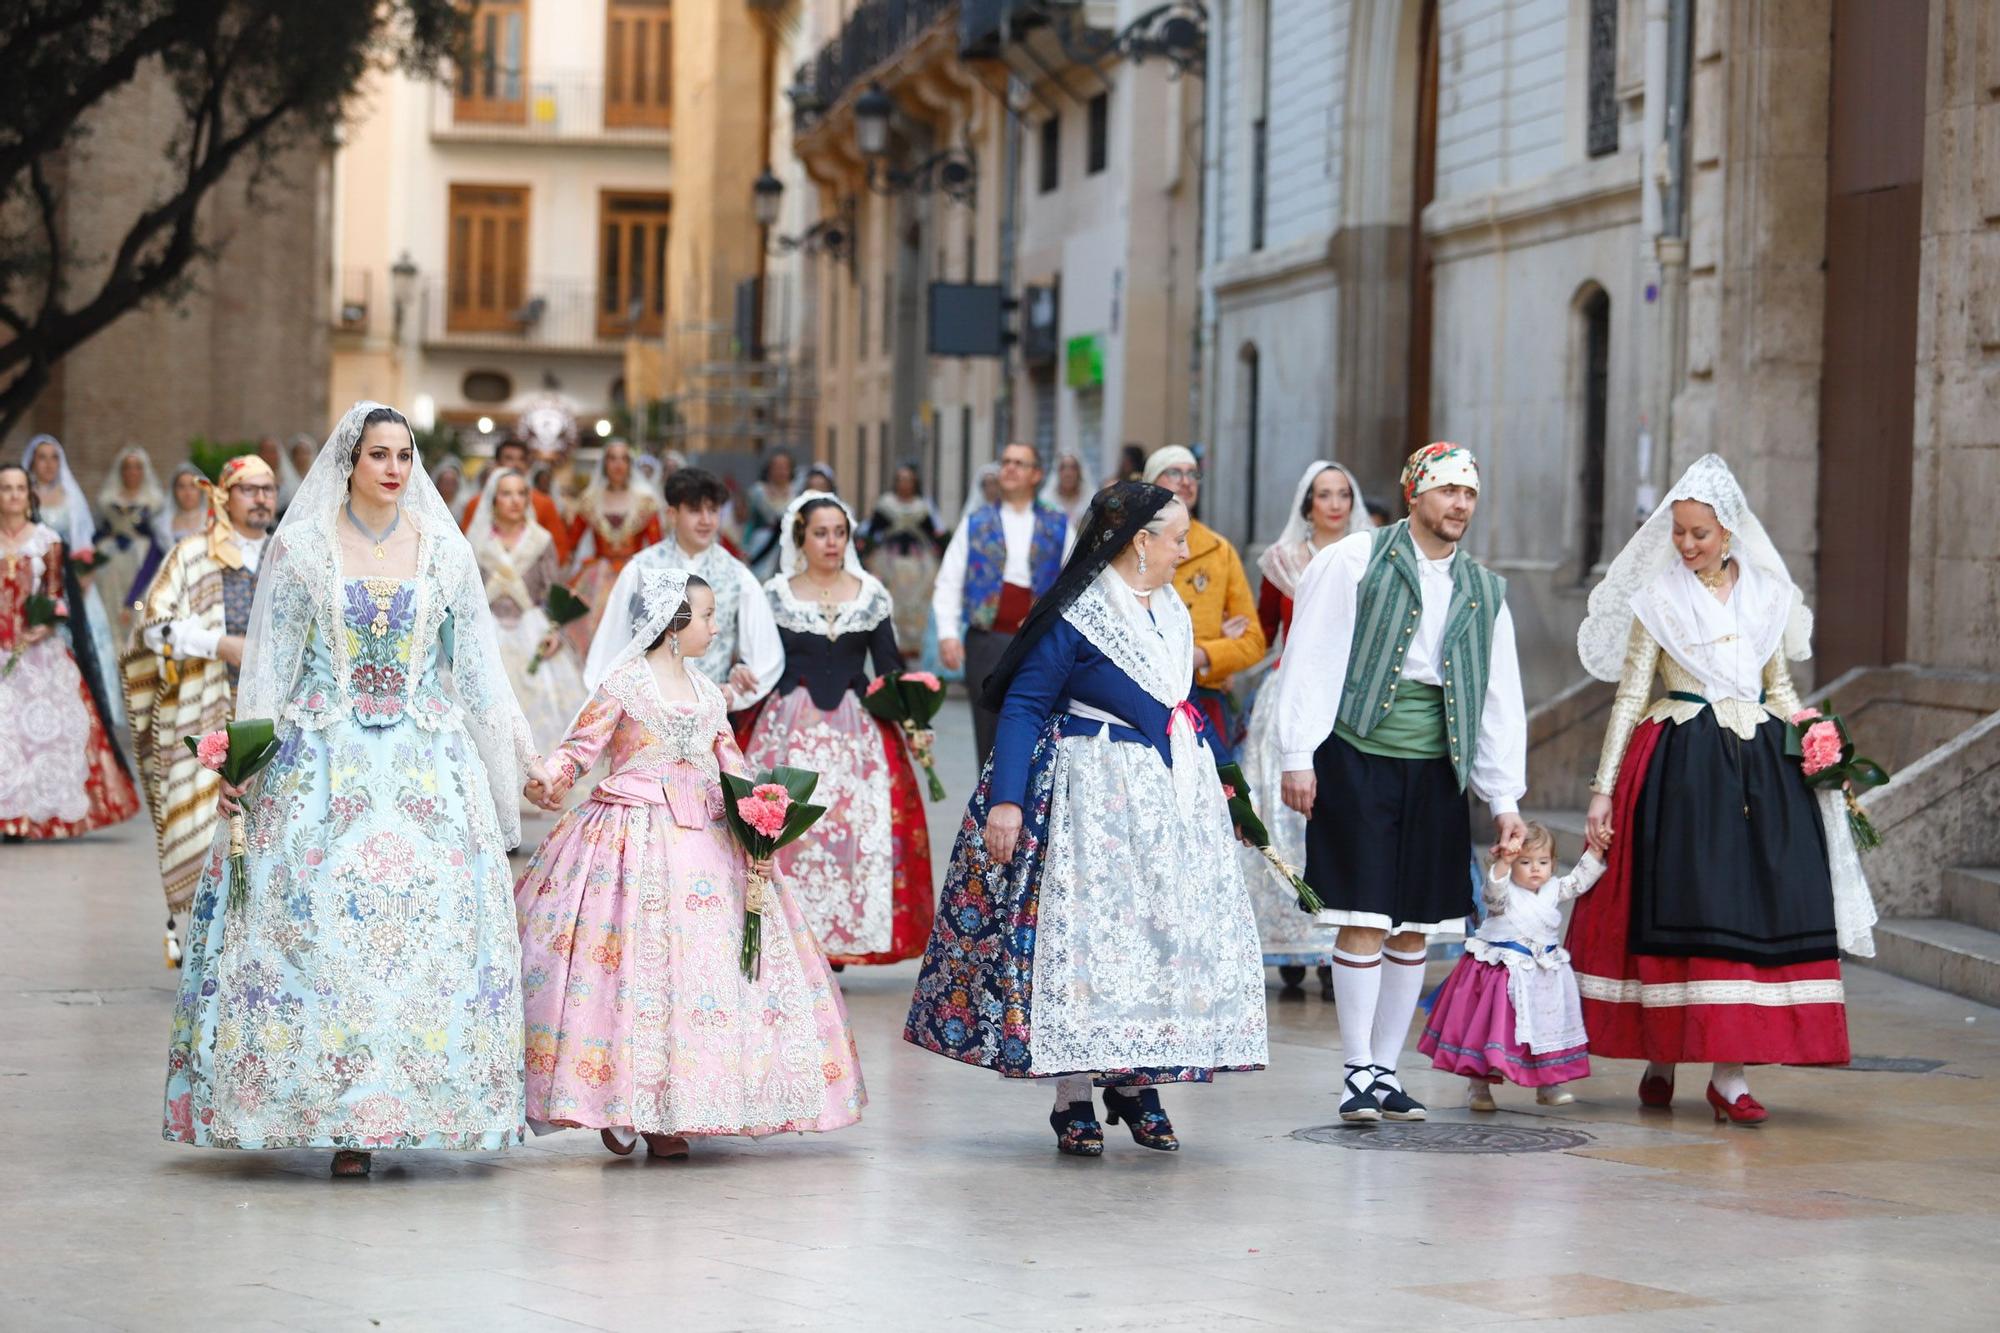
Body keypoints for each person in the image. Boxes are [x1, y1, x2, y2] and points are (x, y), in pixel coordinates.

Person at [162, 401, 548, 1178]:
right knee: (320, 927)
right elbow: (269, 665)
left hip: (426, 763)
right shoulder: (302, 547)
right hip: (320, 762)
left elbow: (477, 671)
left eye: (404, 455)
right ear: (350, 461)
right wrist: (244, 763)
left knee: (428, 935)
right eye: (380, 455)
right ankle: (339, 1118)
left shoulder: (443, 551)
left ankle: (416, 1104)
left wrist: (522, 758)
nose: (395, 469)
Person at [905, 482, 1268, 1156]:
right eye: (1177, 537)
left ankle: (1137, 1083)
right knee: (1084, 943)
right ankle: (1072, 1092)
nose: (1186, 550)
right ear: (1140, 542)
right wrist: (1007, 799)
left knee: (1157, 940)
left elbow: (1180, 710)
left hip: (1165, 805)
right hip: (1090, 798)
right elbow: (1022, 704)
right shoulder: (1078, 614)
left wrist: (1229, 786)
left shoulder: (1173, 614)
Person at [515, 567, 865, 1158]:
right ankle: (625, 1102)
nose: (714, 625)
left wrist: (765, 814)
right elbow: (583, 746)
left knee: (703, 972)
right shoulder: (624, 684)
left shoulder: (708, 693)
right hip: (631, 840)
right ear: (674, 625)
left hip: (706, 840)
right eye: (705, 615)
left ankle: (678, 1106)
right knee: (632, 973)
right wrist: (550, 775)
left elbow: (730, 762)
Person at [1566, 454, 1873, 1125]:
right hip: (1678, 766)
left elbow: (1782, 688)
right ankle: (1661, 1054)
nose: (1686, 544)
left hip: (1760, 770)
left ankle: (1728, 1074)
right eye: (1678, 531)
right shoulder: (1658, 599)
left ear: (1729, 530)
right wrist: (1602, 789)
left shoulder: (1768, 597)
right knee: (1678, 908)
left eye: (1699, 533)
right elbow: (1629, 696)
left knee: (1746, 915)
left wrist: (1819, 749)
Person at [1273, 442, 1527, 1124]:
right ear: (1414, 493)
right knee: (1361, 916)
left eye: (1469, 494)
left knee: (1415, 924)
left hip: (1439, 765)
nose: (1459, 505)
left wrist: (1503, 796)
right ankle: (1356, 1069)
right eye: (1447, 491)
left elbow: (1498, 694)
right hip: (1357, 753)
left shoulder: (1485, 588)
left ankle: (1386, 1071)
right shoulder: (1352, 560)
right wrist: (1298, 752)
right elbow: (1313, 653)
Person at [744, 492, 934, 965]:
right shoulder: (775, 595)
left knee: (851, 829)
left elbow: (890, 668)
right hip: (790, 725)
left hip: (857, 732)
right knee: (792, 831)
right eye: (821, 533)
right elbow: (761, 664)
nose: (831, 542)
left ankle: (837, 942)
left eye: (840, 533)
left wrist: (914, 721)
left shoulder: (870, 593)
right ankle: (790, 933)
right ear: (801, 538)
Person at [122, 455, 277, 966]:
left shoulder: (290, 554)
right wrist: (219, 644)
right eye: (249, 490)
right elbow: (153, 626)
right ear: (223, 497)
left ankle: (263, 942)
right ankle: (210, 948)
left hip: (277, 717)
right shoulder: (190, 555)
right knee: (204, 830)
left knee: (274, 829)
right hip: (203, 712)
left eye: (269, 489)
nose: (262, 499)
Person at [1241, 461, 1373, 997]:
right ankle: (1289, 942)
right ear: (1308, 504)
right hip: (1291, 697)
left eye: (1344, 493)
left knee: (1339, 815)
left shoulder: (1372, 557)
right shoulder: (1281, 563)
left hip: (1348, 698)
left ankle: (1335, 941)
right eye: (1325, 495)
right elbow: (1264, 631)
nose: (1336, 504)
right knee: (1282, 816)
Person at [1419, 823, 1607, 1108]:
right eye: (1525, 862)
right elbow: (1492, 895)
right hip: (1501, 973)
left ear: (1553, 864)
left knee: (1546, 1028)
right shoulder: (1502, 892)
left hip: (1542, 975)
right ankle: (1479, 1087)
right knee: (1488, 1031)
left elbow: (1578, 881)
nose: (1535, 869)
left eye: (1543, 862)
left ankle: (1548, 1083)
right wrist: (1502, 865)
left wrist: (1595, 851)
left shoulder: (1553, 888)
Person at [584, 467, 784, 734]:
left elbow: (767, 656)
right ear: (672, 514)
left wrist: (734, 694)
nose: (706, 520)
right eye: (694, 510)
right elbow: (610, 647)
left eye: (712, 510)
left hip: (708, 722)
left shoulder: (737, 574)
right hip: (645, 722)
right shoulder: (641, 569)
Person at [0, 463, 140, 840]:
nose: (12, 495)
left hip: (37, 651)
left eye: (18, 488)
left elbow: (56, 595)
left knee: (40, 734)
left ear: (28, 495)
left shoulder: (47, 540)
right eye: (5, 488)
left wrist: (46, 623)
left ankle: (31, 818)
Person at [933, 443, 1074, 770]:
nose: (1009, 468)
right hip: (987, 639)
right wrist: (948, 634)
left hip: (1040, 642)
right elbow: (950, 579)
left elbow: (1073, 580)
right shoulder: (976, 522)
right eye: (1006, 462)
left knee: (1040, 727)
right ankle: (989, 808)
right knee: (989, 729)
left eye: (1019, 463)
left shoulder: (1057, 523)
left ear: (1036, 475)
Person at [1143, 446, 1265, 740]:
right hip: (1141, 694)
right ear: (1149, 482)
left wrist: (1202, 654)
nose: (1186, 481)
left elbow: (1253, 642)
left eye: (1192, 473)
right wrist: (1216, 639)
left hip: (1205, 699)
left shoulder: (1218, 550)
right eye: (1174, 472)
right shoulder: (1131, 542)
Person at [466, 467, 588, 758]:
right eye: (506, 494)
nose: (515, 500)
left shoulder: (540, 540)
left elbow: (553, 590)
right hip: (488, 631)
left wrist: (555, 632)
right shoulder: (475, 541)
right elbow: (466, 593)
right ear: (493, 500)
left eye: (521, 493)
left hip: (531, 629)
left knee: (541, 703)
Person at [23, 434, 127, 738]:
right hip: (33, 583)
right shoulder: (23, 497)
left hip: (70, 584)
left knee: (80, 644)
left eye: (55, 457)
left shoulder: (70, 498)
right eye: (42, 457)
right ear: (32, 462)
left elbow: (83, 544)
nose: (49, 464)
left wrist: (83, 578)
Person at [564, 440, 663, 654]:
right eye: (612, 458)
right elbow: (571, 541)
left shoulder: (645, 501)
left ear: (630, 465)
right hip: (598, 575)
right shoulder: (590, 500)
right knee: (593, 636)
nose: (618, 464)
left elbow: (656, 547)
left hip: (634, 575)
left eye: (623, 459)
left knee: (630, 636)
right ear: (604, 464)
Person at [862, 462, 945, 656]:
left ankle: (915, 644)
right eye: (901, 480)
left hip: (917, 563)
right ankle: (891, 642)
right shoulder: (886, 505)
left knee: (919, 599)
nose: (905, 484)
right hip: (890, 562)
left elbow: (934, 533)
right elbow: (872, 532)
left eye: (909, 480)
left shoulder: (922, 507)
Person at [461, 437, 575, 566]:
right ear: (497, 464)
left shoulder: (544, 503)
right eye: (509, 458)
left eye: (521, 459)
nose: (516, 464)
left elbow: (559, 548)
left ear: (527, 465)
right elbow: (466, 547)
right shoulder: (476, 504)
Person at [93, 445, 167, 630]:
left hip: (142, 561)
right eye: (127, 467)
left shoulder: (155, 501)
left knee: (138, 606)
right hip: (111, 564)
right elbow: (100, 531)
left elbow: (159, 536)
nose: (132, 472)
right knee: (111, 606)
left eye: (137, 467)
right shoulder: (107, 499)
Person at [744, 450, 798, 578]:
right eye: (777, 467)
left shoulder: (796, 494)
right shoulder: (757, 492)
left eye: (785, 467)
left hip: (787, 548)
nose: (781, 471)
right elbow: (747, 522)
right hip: (760, 547)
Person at [1040, 449, 1096, 530]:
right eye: (1063, 468)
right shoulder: (1046, 500)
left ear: (1080, 472)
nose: (1068, 473)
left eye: (1073, 468)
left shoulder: (1091, 500)